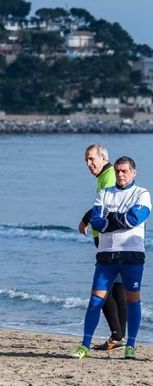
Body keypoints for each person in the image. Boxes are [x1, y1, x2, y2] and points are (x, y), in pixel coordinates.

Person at [73, 156, 150, 360]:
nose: (120, 174)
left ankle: (130, 346)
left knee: (132, 299)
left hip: (132, 255)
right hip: (106, 256)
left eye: (124, 171)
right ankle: (84, 345)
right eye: (117, 171)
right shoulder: (104, 193)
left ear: (133, 172)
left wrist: (110, 219)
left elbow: (136, 218)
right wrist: (117, 219)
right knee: (95, 300)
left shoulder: (142, 194)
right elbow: (97, 222)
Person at [76, 144, 127, 350]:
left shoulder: (109, 175)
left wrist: (85, 219)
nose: (89, 164)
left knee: (102, 289)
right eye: (86, 161)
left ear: (103, 157)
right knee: (117, 288)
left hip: (109, 241)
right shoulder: (104, 176)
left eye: (91, 159)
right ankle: (119, 337)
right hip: (111, 239)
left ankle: (117, 335)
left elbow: (105, 205)